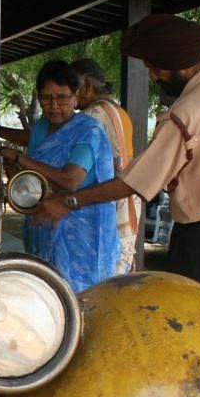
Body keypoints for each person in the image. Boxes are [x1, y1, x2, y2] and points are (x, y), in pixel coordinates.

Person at [33, 14, 200, 330]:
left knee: (194, 335)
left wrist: (67, 202)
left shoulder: (185, 114)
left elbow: (133, 183)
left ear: (180, 64)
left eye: (156, 68)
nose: (153, 77)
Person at [3, 60, 118, 291]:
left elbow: (70, 179)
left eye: (62, 97)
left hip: (83, 237)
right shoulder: (40, 128)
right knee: (46, 296)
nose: (54, 105)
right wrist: (8, 161)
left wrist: (18, 157)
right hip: (44, 225)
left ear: (76, 97)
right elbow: (29, 182)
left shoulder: (88, 130)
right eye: (46, 98)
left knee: (81, 298)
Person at [71, 58, 140, 274]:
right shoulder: (119, 112)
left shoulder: (92, 116)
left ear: (87, 87)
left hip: (105, 207)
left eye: (71, 89)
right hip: (125, 207)